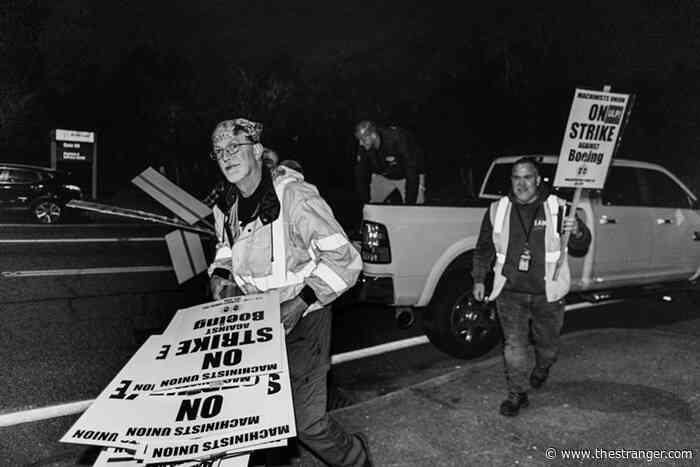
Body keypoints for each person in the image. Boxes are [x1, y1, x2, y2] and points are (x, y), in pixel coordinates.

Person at [207, 118, 372, 466]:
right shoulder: (225, 205)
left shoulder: (295, 198)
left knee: (306, 423)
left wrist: (301, 302)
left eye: (233, 148)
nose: (226, 157)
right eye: (219, 151)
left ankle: (356, 458)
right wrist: (221, 276)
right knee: (253, 420)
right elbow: (225, 250)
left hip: (304, 320)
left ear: (255, 150)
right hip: (256, 323)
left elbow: (346, 260)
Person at [471, 157, 591, 417]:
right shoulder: (497, 210)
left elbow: (581, 246)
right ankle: (517, 393)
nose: (522, 183)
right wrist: (479, 278)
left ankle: (543, 367)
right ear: (511, 181)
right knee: (514, 347)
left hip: (547, 294)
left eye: (527, 177)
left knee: (548, 347)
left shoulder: (560, 208)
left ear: (538, 180)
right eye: (516, 177)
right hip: (509, 292)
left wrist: (579, 231)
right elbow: (483, 248)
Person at [353, 121, 426, 205]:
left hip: (409, 176)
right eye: (359, 140)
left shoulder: (397, 138)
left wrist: (409, 204)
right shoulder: (364, 145)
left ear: (373, 135)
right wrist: (364, 202)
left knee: (416, 209)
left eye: (363, 139)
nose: (360, 143)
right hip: (384, 175)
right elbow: (361, 174)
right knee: (366, 207)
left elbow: (412, 170)